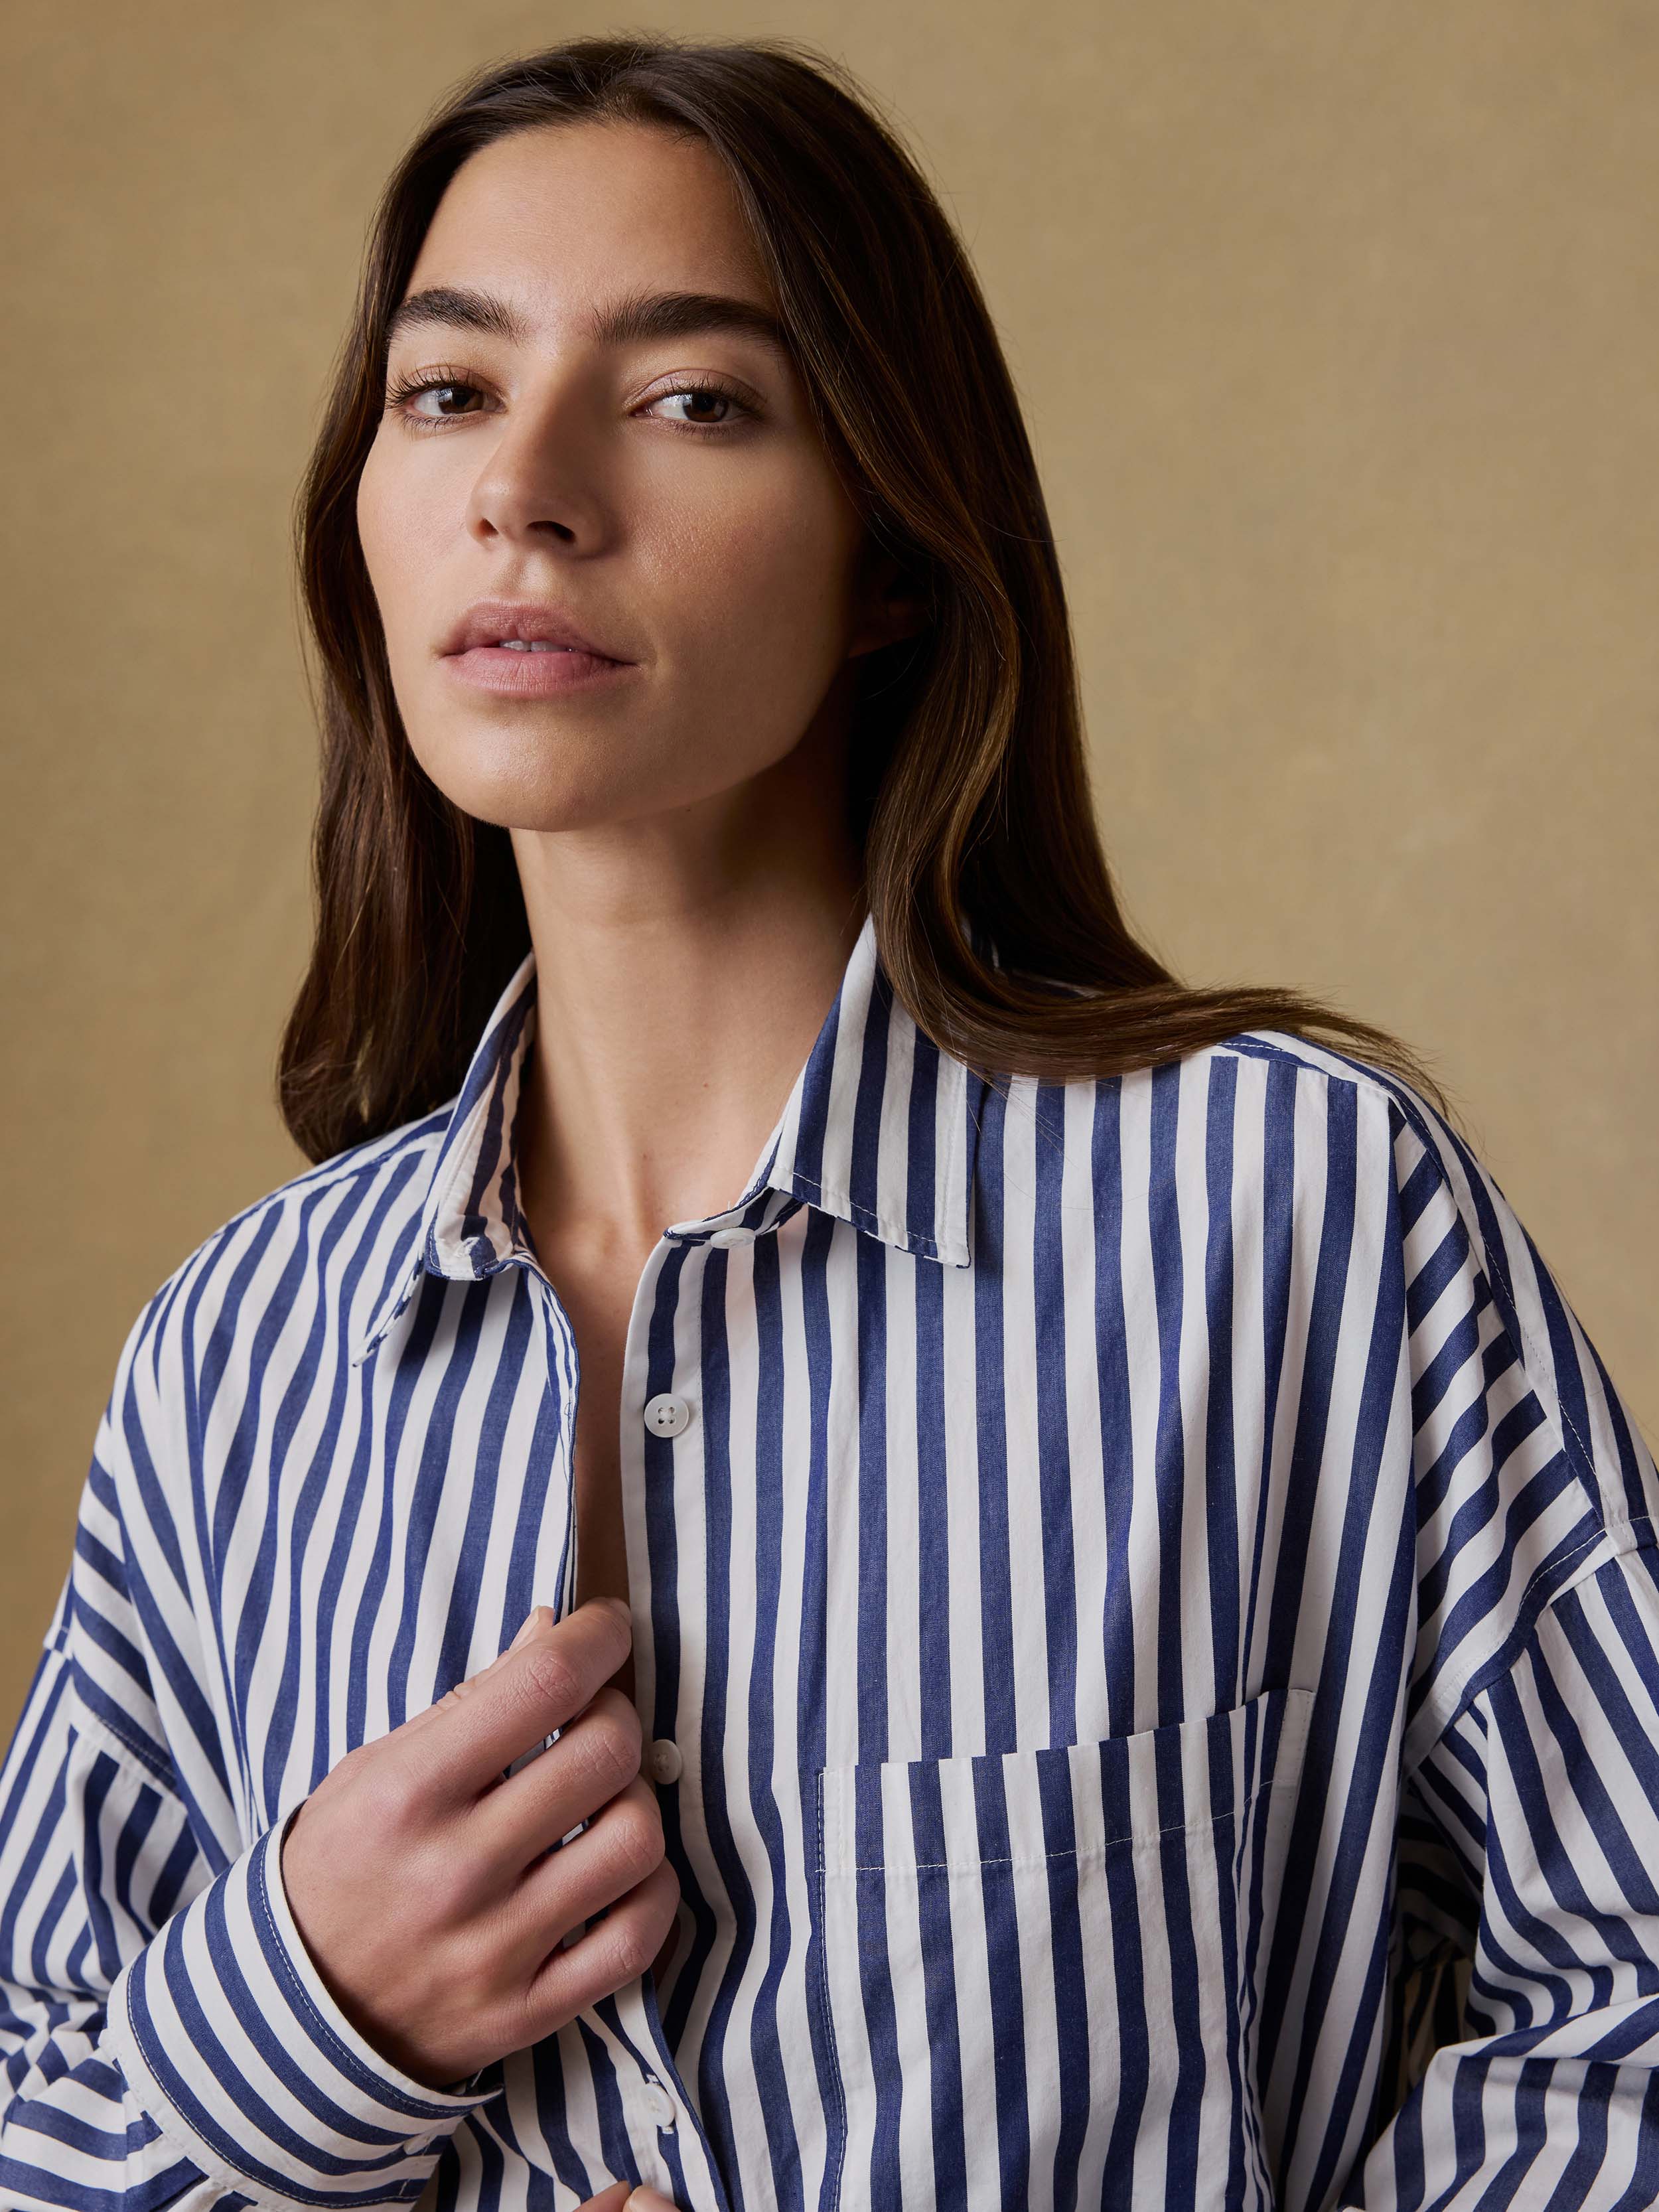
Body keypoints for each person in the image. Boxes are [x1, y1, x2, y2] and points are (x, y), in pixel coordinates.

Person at [1, 31, 1654, 2212]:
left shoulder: (1295, 1218)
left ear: (891, 547)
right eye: (448, 391)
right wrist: (300, 2015)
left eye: (691, 398)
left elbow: (1622, 2020)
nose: (531, 488)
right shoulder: (231, 1366)